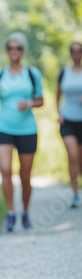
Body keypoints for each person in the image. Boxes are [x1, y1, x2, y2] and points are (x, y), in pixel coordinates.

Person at [0, 32, 43, 231]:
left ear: (23, 51)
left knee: (25, 176)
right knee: (6, 170)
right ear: (7, 51)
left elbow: (41, 100)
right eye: (10, 48)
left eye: (18, 48)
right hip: (3, 127)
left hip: (27, 129)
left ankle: (25, 213)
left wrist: (30, 103)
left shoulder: (32, 73)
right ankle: (11, 213)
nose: (14, 51)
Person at [57, 41, 82, 208]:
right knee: (72, 156)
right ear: (70, 53)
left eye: (79, 51)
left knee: (79, 160)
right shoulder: (64, 72)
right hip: (67, 120)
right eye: (73, 51)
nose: (76, 53)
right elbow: (57, 95)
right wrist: (58, 113)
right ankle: (74, 193)